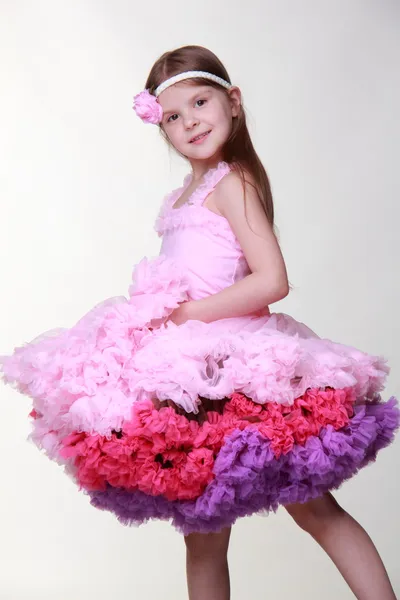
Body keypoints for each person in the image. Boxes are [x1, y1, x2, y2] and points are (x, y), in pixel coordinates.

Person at [1, 45, 398, 600]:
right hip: (189, 376)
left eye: (200, 102)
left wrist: (188, 313)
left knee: (316, 511)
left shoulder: (232, 184)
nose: (189, 121)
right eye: (171, 116)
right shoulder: (180, 198)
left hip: (242, 369)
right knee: (203, 535)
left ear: (232, 103)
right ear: (161, 129)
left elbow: (270, 281)